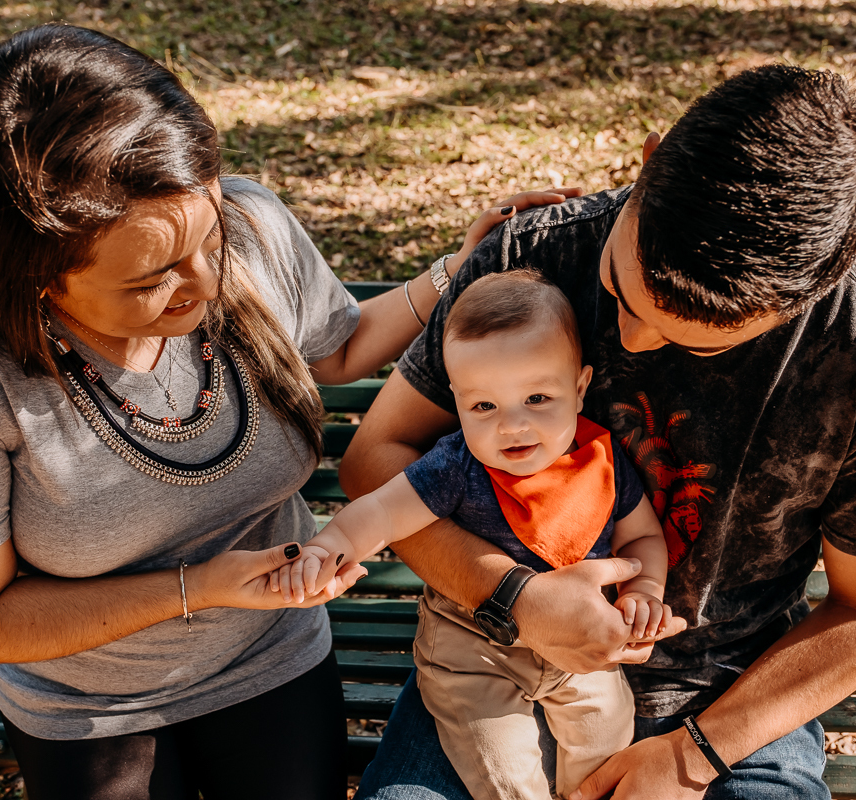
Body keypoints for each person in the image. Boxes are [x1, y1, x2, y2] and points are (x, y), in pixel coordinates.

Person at [0, 23, 572, 800]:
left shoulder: (250, 226)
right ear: (35, 274)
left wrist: (455, 270)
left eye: (210, 237)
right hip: (92, 708)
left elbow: (338, 347)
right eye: (151, 280)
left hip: (272, 655)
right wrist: (199, 587)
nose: (203, 283)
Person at [346, 64, 856, 800]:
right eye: (621, 291)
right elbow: (377, 458)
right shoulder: (524, 259)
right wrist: (515, 598)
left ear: (810, 296)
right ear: (650, 160)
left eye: (693, 342)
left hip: (728, 703)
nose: (627, 341)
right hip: (491, 666)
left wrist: (690, 758)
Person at [273, 271, 677, 800]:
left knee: (606, 732)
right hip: (473, 647)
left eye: (537, 397)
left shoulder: (601, 461)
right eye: (483, 405)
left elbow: (641, 538)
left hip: (578, 644)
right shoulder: (454, 468)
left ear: (579, 389)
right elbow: (381, 512)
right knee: (502, 765)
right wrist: (328, 548)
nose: (512, 425)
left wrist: (643, 592)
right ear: (458, 400)